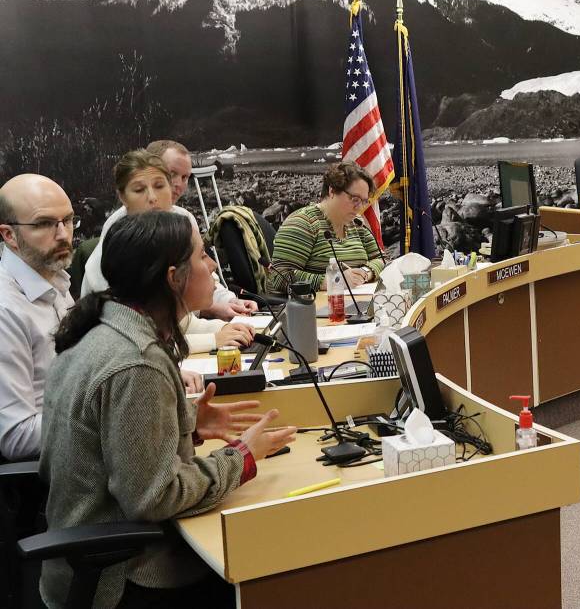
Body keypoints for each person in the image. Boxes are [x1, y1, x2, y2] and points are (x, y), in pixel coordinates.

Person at [40, 211, 296, 608]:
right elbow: (155, 497)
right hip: (124, 577)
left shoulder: (103, 328)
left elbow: (115, 445)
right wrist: (242, 457)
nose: (212, 266)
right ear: (174, 277)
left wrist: (187, 427)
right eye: (202, 256)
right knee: (275, 566)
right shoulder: (137, 362)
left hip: (81, 563)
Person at [81, 150, 254, 355]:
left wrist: (224, 323)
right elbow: (134, 344)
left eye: (159, 186)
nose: (152, 198)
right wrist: (213, 338)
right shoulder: (118, 247)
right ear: (122, 197)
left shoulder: (179, 222)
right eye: (139, 190)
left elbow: (180, 321)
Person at [0, 174, 76, 461]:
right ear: (9, 235)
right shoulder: (6, 310)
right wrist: (105, 419)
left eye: (68, 220)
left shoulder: (55, 280)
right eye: (45, 224)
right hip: (50, 476)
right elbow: (16, 436)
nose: (63, 234)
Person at [268, 161, 384, 293]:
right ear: (332, 191)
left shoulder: (356, 223)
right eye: (355, 199)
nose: (359, 208)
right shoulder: (303, 223)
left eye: (364, 201)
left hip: (355, 300)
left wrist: (365, 272)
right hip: (312, 304)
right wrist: (334, 280)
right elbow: (279, 276)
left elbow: (382, 259)